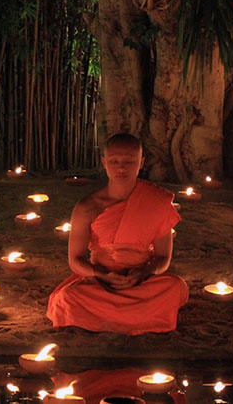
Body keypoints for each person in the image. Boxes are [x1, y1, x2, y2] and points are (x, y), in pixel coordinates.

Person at [47, 133, 188, 335]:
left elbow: (163, 258)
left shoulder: (155, 202)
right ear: (104, 162)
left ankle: (106, 318)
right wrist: (101, 274)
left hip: (141, 280)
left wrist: (144, 272)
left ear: (141, 163)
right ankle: (140, 318)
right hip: (100, 281)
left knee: (176, 287)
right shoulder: (87, 207)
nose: (121, 167)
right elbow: (75, 260)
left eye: (129, 161)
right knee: (67, 297)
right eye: (114, 161)